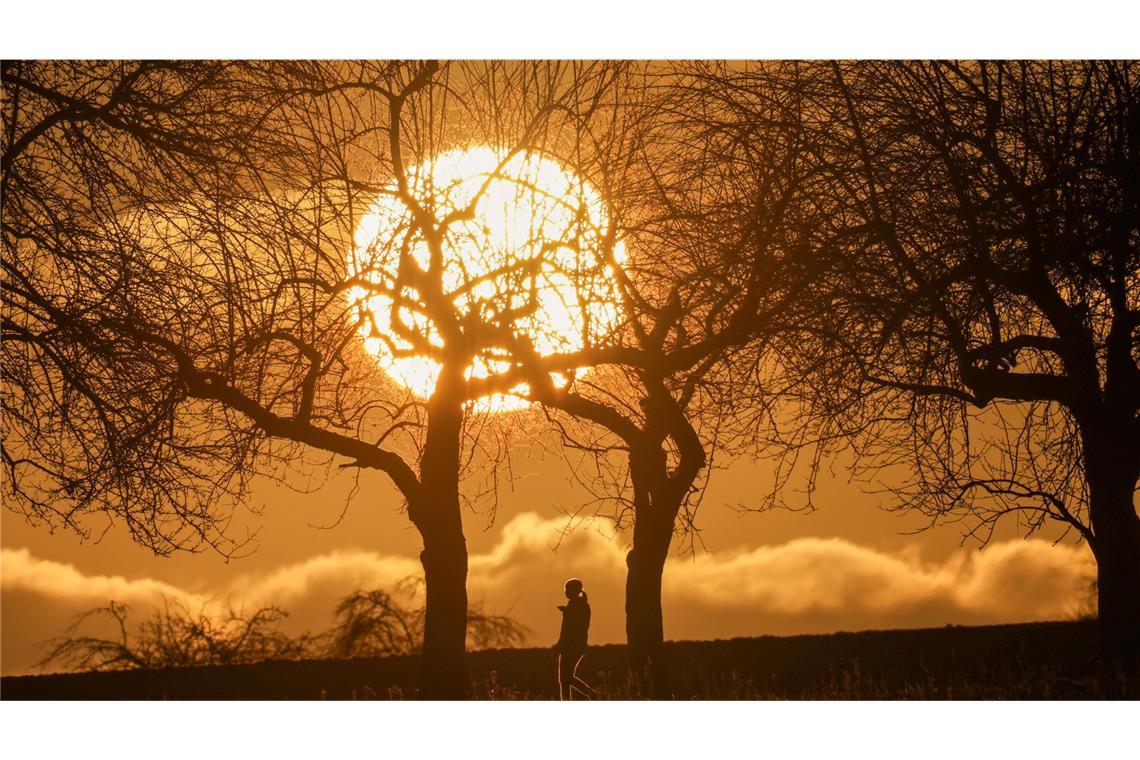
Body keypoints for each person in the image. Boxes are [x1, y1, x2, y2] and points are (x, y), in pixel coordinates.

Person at [554, 577, 594, 700]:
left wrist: (558, 648)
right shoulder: (580, 606)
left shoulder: (576, 607)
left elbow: (569, 630)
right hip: (576, 646)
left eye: (567, 589)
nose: (565, 592)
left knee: (565, 678)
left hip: (571, 646)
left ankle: (594, 696)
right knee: (566, 678)